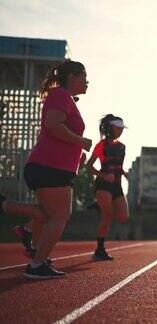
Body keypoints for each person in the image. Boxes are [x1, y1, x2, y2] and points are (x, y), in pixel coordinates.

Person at [1, 59, 92, 279]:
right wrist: (80, 141)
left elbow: (58, 129)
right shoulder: (60, 95)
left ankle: (11, 212)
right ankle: (36, 265)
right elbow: (53, 125)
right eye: (84, 77)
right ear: (72, 77)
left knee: (51, 215)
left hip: (53, 166)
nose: (88, 82)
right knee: (59, 217)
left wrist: (77, 157)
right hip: (50, 166)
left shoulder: (65, 97)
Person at [86, 114, 129, 261]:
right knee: (107, 217)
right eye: (119, 128)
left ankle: (99, 205)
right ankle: (99, 250)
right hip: (103, 184)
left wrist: (124, 173)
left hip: (117, 186)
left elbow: (118, 166)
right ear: (111, 128)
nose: (121, 130)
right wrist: (103, 175)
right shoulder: (101, 146)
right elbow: (89, 166)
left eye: (122, 128)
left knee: (124, 216)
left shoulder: (122, 147)